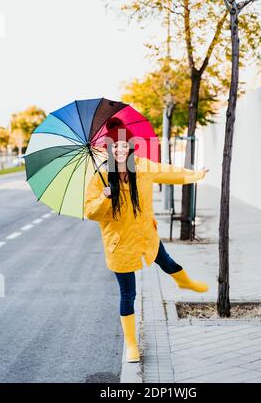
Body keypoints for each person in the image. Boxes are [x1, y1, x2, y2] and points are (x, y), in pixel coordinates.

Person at [84, 117, 209, 363]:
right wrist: (106, 197)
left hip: (145, 234)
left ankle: (185, 283)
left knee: (167, 262)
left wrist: (196, 175)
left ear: (130, 147)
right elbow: (91, 212)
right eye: (115, 147)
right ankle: (131, 345)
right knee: (128, 293)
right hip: (119, 242)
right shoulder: (99, 177)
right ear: (109, 149)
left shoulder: (142, 167)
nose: (119, 151)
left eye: (123, 146)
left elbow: (168, 172)